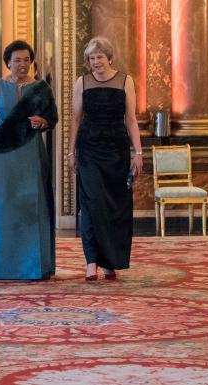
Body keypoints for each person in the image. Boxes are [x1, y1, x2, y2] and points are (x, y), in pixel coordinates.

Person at [0, 40, 57, 280]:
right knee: (2, 205)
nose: (22, 65)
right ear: (8, 62)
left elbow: (52, 118)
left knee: (29, 206)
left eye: (26, 60)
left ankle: (32, 266)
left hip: (30, 154)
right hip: (1, 154)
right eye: (17, 60)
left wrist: (42, 122)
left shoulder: (41, 88)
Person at [68, 36, 143, 282]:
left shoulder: (125, 81)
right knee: (92, 204)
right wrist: (71, 152)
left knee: (115, 206)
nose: (96, 62)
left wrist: (138, 153)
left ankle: (110, 262)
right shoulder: (83, 82)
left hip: (117, 151)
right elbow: (76, 120)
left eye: (100, 56)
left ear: (109, 58)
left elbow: (130, 120)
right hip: (89, 150)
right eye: (92, 58)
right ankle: (91, 262)